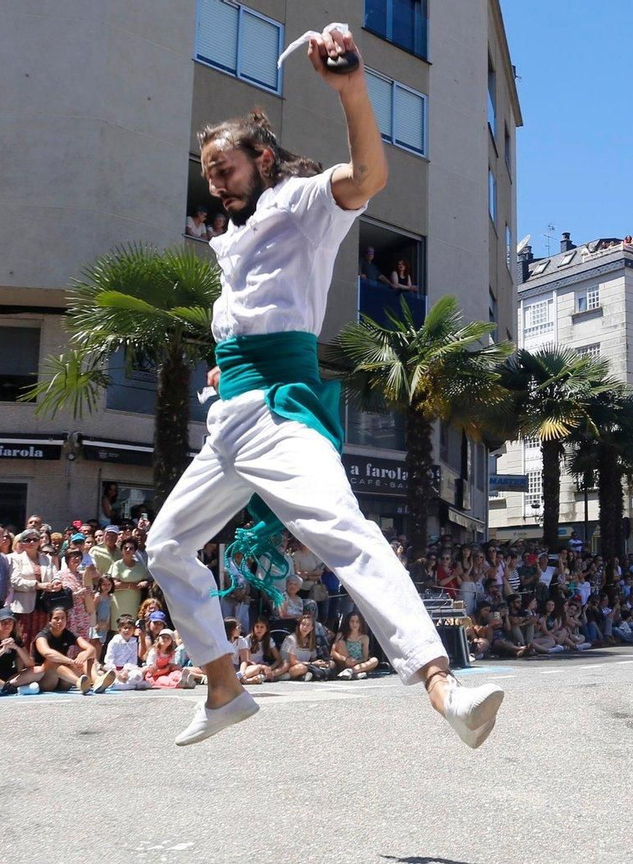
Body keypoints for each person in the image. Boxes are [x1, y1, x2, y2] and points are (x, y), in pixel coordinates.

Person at [149, 27, 501, 749]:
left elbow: (369, 176)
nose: (214, 178)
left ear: (263, 159)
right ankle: (223, 687)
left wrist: (350, 89)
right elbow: (249, 324)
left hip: (281, 415)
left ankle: (445, 689)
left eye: (226, 165)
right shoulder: (234, 243)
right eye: (208, 169)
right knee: (167, 546)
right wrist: (225, 361)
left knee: (347, 533)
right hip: (230, 425)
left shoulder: (303, 205)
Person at [33, 606, 100, 694]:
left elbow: (91, 649)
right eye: (56, 618)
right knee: (51, 661)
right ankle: (80, 682)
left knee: (85, 654)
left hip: (64, 679)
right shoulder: (42, 636)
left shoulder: (68, 634)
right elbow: (47, 653)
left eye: (62, 618)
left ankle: (97, 681)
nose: (60, 621)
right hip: (47, 679)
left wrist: (82, 659)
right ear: (50, 620)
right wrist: (71, 661)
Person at [101, 614, 147, 691]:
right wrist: (117, 673)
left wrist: (126, 671)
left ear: (133, 630)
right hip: (115, 670)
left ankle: (131, 683)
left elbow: (132, 659)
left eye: (130, 628)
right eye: (125, 628)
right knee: (117, 684)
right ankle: (130, 685)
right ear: (119, 629)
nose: (127, 630)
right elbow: (109, 660)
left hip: (127, 670)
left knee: (137, 675)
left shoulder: (133, 642)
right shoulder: (114, 642)